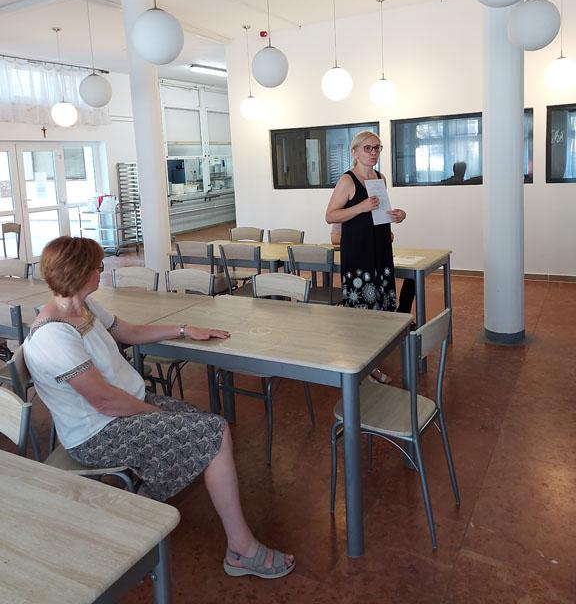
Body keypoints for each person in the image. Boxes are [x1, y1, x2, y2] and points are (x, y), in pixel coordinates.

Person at [23, 236, 294, 580]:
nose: (101, 271)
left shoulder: (82, 307)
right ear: (78, 273)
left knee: (211, 425)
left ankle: (142, 502)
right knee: (214, 431)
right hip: (97, 432)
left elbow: (130, 332)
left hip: (125, 408)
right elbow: (105, 401)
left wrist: (184, 329)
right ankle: (241, 549)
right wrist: (155, 413)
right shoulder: (53, 335)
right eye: (97, 266)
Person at [326, 131, 407, 383]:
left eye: (377, 148)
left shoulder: (380, 178)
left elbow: (379, 213)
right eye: (368, 148)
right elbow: (330, 215)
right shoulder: (347, 180)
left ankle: (374, 359)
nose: (373, 153)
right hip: (358, 254)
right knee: (362, 311)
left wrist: (397, 216)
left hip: (380, 250)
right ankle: (361, 365)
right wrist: (360, 207)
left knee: (381, 307)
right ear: (355, 152)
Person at [331, 223, 416, 317]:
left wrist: (380, 236)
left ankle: (403, 313)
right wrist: (362, 238)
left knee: (411, 277)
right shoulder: (345, 217)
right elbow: (334, 238)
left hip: (379, 260)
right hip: (357, 260)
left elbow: (389, 236)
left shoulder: (375, 216)